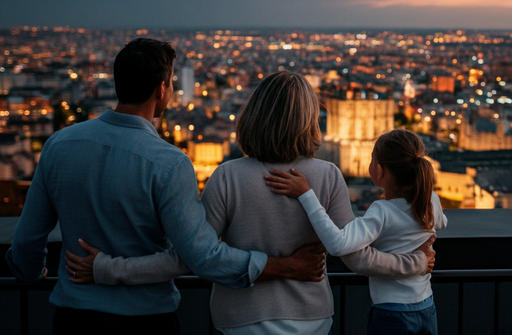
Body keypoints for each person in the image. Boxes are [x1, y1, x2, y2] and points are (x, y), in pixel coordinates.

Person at [66, 71, 436, 335]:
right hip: (310, 316)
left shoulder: (228, 177)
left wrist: (108, 270)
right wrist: (414, 262)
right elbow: (356, 257)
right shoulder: (326, 175)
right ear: (309, 120)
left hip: (240, 317)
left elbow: (188, 257)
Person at [5, 39, 325, 335]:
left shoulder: (59, 146)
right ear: (162, 89)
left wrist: (32, 276)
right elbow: (201, 256)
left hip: (74, 316)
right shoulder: (168, 163)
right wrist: (287, 266)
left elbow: (26, 242)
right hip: (146, 320)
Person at [265, 128, 447, 335]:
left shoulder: (382, 211)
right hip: (426, 305)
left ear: (379, 170)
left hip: (393, 312)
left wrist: (307, 195)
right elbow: (440, 224)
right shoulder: (431, 200)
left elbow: (337, 244)